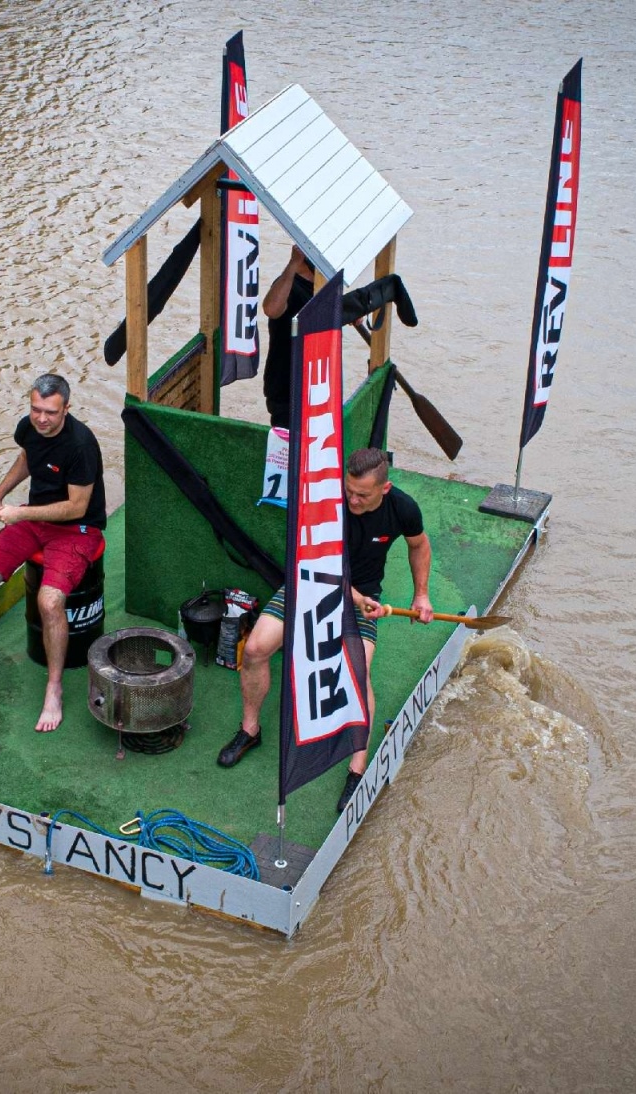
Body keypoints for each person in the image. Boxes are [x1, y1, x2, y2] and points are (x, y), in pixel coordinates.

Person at [216, 448, 433, 811]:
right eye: (349, 490)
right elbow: (314, 561)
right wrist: (357, 596)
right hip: (311, 583)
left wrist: (422, 594)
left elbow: (419, 545)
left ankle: (357, 768)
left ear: (385, 488)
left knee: (357, 674)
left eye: (362, 494)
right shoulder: (327, 500)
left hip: (360, 599)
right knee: (255, 649)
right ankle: (250, 730)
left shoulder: (404, 508)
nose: (352, 499)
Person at [0, 373, 107, 733]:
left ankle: (54, 688)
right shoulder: (30, 427)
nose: (41, 418)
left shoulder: (81, 444)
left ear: (67, 408)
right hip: (34, 520)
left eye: (50, 412)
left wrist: (20, 512)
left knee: (50, 602)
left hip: (77, 528)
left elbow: (77, 507)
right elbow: (26, 458)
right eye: (35, 409)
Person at [261, 244, 316, 428]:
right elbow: (271, 309)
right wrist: (293, 264)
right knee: (286, 451)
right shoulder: (288, 285)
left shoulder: (322, 282)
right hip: (286, 388)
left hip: (315, 387)